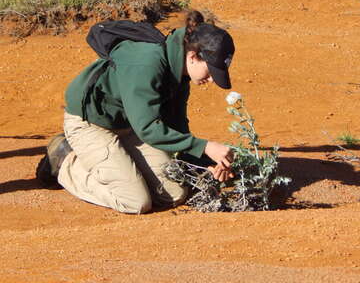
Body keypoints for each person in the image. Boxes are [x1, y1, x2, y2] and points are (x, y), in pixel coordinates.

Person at [37, 11, 235, 214]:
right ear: (193, 56)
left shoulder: (181, 74)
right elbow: (149, 128)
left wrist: (200, 165)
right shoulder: (147, 64)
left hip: (129, 125)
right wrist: (204, 146)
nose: (211, 80)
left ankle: (120, 163)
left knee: (174, 194)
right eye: (210, 71)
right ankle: (64, 160)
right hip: (91, 123)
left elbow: (175, 124)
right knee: (135, 201)